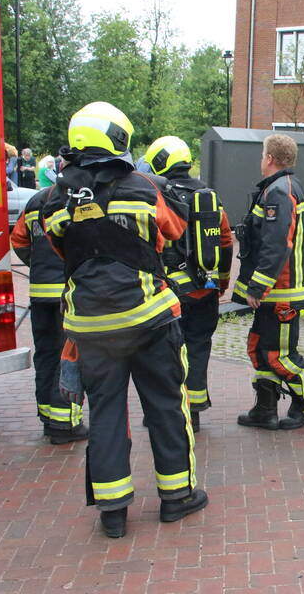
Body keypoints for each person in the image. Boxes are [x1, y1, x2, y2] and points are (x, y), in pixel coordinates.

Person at [42, 101, 206, 538]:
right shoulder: (142, 187)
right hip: (150, 320)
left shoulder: (55, 199)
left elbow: (63, 253)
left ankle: (112, 510)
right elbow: (172, 230)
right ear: (118, 138)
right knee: (167, 405)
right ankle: (177, 496)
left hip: (91, 330)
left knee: (107, 412)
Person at [144, 136, 233, 433]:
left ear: (159, 162)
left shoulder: (157, 194)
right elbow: (224, 240)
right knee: (198, 347)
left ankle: (168, 411)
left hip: (169, 292)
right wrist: (220, 282)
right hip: (205, 288)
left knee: (166, 352)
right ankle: (194, 410)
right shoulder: (208, 195)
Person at [233, 134, 304, 430]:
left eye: (261, 154)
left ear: (269, 158)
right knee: (259, 347)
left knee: (278, 354)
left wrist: (258, 287)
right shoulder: (281, 188)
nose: (261, 160)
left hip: (282, 293)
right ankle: (265, 408)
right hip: (277, 292)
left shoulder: (280, 192)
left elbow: (276, 244)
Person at [10, 176, 88, 445]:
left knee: (45, 355)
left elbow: (19, 240)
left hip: (40, 294)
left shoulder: (35, 200)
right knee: (68, 357)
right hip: (67, 295)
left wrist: (38, 265)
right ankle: (64, 424)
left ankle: (47, 416)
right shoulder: (79, 198)